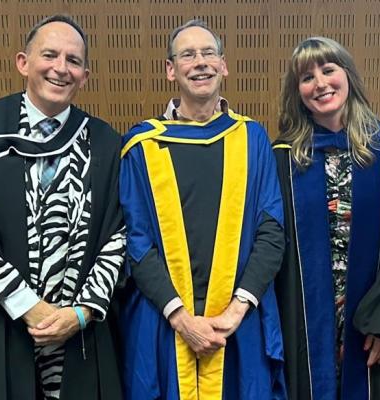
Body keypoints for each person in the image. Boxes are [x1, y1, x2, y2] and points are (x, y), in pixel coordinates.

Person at [0, 15, 125, 400]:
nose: (61, 68)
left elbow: (119, 236)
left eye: (73, 61)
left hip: (76, 336)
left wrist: (80, 313)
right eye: (50, 55)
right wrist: (26, 305)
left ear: (85, 75)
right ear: (23, 62)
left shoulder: (105, 143)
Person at [118, 19, 287, 400]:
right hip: (164, 321)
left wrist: (235, 312)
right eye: (188, 55)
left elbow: (271, 230)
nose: (200, 62)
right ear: (171, 69)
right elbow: (135, 240)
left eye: (209, 53)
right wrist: (181, 319)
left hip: (238, 322)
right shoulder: (141, 145)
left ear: (224, 65)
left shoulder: (251, 138)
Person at [273, 36, 380, 400]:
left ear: (347, 75)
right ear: (297, 91)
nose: (320, 83)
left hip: (372, 326)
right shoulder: (283, 159)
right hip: (302, 326)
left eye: (328, 70)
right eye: (307, 77)